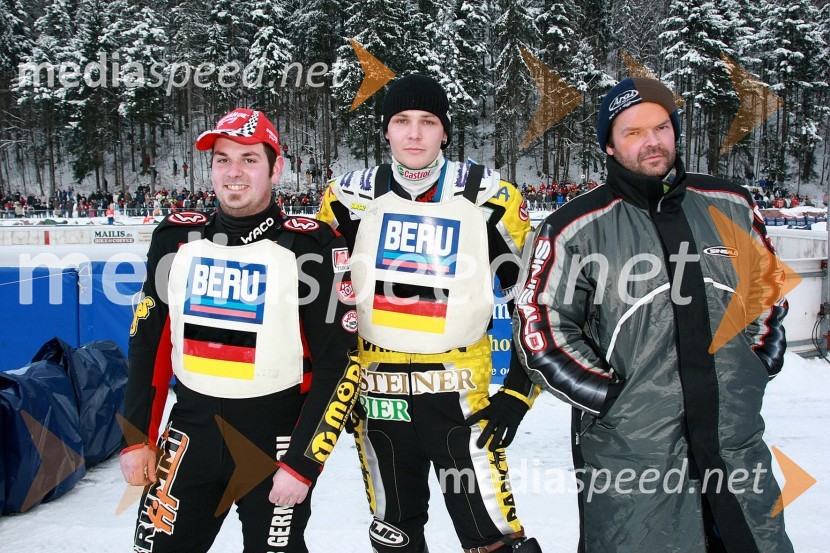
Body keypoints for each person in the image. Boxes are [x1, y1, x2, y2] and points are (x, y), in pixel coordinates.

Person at [513, 77, 793, 553]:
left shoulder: (732, 204)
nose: (652, 142)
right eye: (634, 132)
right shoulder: (574, 227)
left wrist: (753, 367)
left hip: (734, 444)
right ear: (608, 144)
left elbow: (768, 292)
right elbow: (540, 327)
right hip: (635, 456)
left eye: (661, 127)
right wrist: (611, 398)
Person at [318, 74, 542, 553]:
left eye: (428, 121)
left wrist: (519, 391)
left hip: (458, 394)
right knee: (394, 535)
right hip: (377, 394)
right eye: (402, 121)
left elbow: (536, 301)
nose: (414, 134)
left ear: (445, 131)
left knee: (494, 538)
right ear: (386, 130)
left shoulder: (490, 197)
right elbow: (323, 304)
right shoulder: (345, 198)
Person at [121, 108, 359, 553]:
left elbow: (340, 364)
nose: (234, 172)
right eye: (223, 159)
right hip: (189, 431)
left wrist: (304, 463)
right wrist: (137, 439)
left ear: (276, 168)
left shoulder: (310, 246)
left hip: (275, 441)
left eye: (249, 159)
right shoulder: (175, 239)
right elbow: (147, 345)